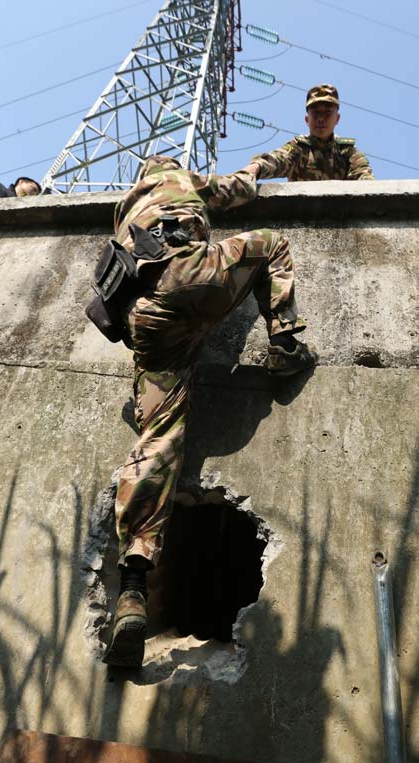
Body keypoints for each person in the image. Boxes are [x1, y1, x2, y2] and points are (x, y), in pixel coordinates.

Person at [97, 155, 317, 667]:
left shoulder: (124, 206)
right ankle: (284, 342)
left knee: (156, 438)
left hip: (143, 318)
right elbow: (240, 189)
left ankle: (132, 587)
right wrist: (260, 167)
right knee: (272, 245)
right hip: (191, 276)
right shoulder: (180, 179)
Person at [244, 84, 374, 182]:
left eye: (327, 112)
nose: (321, 119)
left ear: (337, 119)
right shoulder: (299, 148)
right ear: (307, 119)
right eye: (316, 113)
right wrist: (257, 167)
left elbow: (364, 176)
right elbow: (278, 159)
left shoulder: (347, 151)